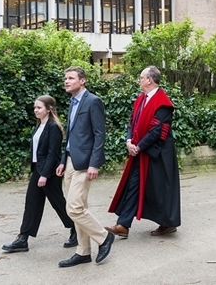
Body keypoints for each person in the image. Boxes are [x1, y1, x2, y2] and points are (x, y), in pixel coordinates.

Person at [107, 66, 181, 236]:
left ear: (150, 80)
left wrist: (139, 146)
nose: (139, 80)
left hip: (159, 154)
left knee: (160, 189)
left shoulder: (163, 103)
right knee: (134, 185)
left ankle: (168, 223)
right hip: (140, 152)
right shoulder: (140, 99)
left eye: (141, 77)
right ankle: (123, 224)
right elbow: (131, 123)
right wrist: (128, 141)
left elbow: (158, 130)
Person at [2, 95, 76, 253]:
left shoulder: (53, 127)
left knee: (58, 203)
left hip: (49, 172)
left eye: (39, 107)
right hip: (38, 169)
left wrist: (45, 175)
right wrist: (38, 172)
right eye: (35, 108)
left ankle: (76, 230)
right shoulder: (39, 126)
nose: (35, 110)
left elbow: (52, 153)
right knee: (32, 203)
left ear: (48, 109)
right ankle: (23, 239)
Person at [55, 66, 114, 268]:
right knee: (80, 206)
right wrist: (63, 160)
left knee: (74, 208)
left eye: (71, 78)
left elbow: (99, 134)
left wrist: (94, 163)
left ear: (83, 81)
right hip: (71, 161)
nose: (66, 81)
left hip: (85, 163)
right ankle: (83, 252)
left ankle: (104, 237)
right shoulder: (72, 102)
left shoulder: (93, 101)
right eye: (65, 78)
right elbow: (71, 135)